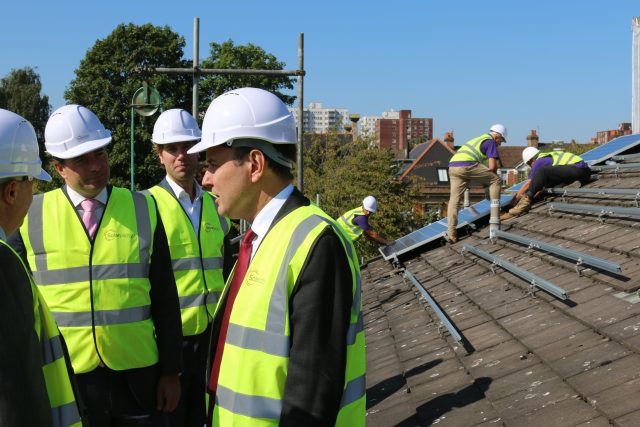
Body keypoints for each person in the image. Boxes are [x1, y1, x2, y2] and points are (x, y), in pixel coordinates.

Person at [187, 87, 365, 426]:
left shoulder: (316, 242)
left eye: (211, 164)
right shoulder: (259, 240)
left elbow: (312, 395)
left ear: (255, 164)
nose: (205, 179)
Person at [12, 104, 183, 426]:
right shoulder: (30, 215)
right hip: (67, 374)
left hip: (138, 374)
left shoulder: (143, 207)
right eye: (82, 159)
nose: (96, 166)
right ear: (58, 167)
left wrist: (172, 371)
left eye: (100, 154)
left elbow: (165, 297)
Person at [146, 108, 232, 427]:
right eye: (173, 149)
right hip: (170, 342)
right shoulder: (147, 205)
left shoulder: (216, 204)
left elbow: (226, 267)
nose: (182, 155)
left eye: (188, 147)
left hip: (211, 339)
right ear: (160, 156)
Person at [0, 109, 81, 426]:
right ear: (11, 191)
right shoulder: (4, 266)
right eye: (31, 184)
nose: (32, 195)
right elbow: (15, 398)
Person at [447, 124, 506, 243]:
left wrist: (485, 182)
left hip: (453, 165)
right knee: (496, 180)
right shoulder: (490, 142)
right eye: (501, 140)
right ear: (496, 136)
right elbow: (492, 167)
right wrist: (490, 183)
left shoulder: (478, 139)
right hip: (466, 165)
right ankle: (496, 214)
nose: (500, 144)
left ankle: (451, 233)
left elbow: (483, 169)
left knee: (454, 200)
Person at [501, 147, 592, 219]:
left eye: (529, 165)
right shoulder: (548, 158)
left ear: (531, 160)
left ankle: (525, 203)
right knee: (546, 181)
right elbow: (540, 184)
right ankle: (568, 184)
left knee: (543, 172)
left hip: (578, 169)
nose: (531, 167)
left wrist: (514, 201)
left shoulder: (539, 161)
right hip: (583, 174)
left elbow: (528, 184)